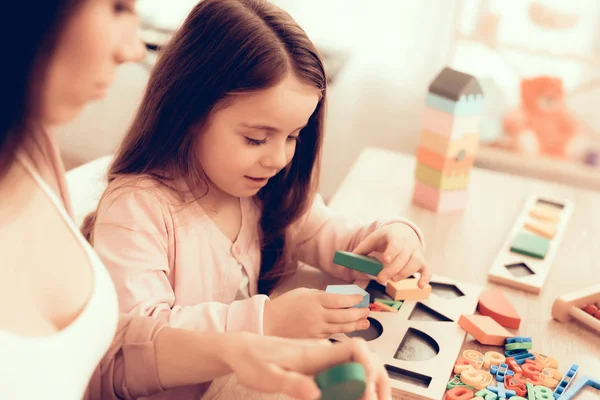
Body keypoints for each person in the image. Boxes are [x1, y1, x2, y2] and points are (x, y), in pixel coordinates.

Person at [0, 1, 391, 399]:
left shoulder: (260, 189)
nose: (277, 158)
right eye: (255, 138)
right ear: (189, 112)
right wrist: (265, 320)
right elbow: (129, 349)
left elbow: (327, 233)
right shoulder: (140, 206)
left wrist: (385, 241)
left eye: (293, 137)